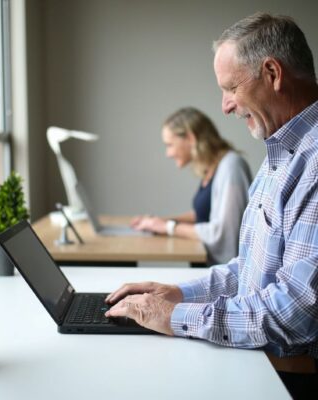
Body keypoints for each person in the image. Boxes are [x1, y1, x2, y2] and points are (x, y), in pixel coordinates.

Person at [106, 13, 318, 399]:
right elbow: (249, 270)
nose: (225, 106)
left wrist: (177, 318)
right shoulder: (280, 155)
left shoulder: (314, 162)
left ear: (272, 73)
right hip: (259, 362)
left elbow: (296, 313)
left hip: (288, 377)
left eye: (231, 87)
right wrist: (178, 294)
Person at [131, 107, 252, 267]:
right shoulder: (212, 167)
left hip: (223, 275)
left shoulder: (231, 166)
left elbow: (224, 233)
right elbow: (203, 214)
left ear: (190, 138)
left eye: (169, 144)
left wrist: (168, 227)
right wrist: (159, 222)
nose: (168, 153)